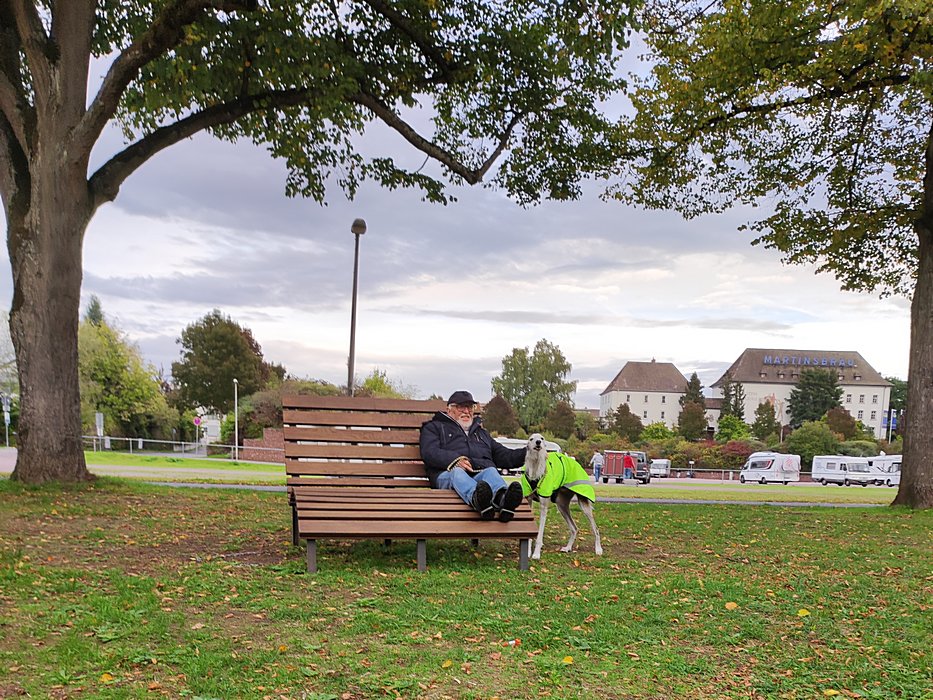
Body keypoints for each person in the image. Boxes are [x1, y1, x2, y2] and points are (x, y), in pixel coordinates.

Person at [420, 391, 526, 522]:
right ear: (449, 410)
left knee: (490, 471)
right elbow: (429, 452)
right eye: (461, 407)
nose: (466, 411)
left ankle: (503, 500)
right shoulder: (434, 427)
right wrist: (455, 460)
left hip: (477, 475)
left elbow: (504, 455)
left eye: (470, 407)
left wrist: (529, 453)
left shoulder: (481, 433)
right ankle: (477, 499)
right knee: (457, 472)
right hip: (446, 475)